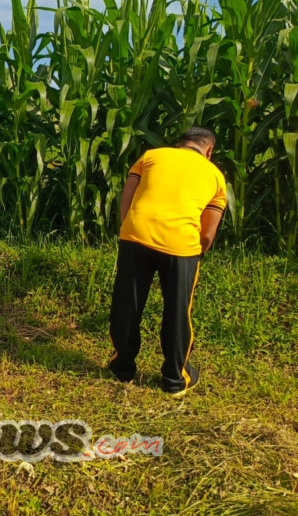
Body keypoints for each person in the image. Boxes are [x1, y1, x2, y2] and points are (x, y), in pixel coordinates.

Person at [108, 126, 227, 397]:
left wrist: (128, 231)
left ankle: (122, 368)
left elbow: (126, 200)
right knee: (177, 311)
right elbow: (208, 232)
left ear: (180, 143)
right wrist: (198, 252)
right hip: (180, 246)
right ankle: (174, 379)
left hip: (135, 234)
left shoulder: (151, 156)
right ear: (209, 150)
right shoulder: (215, 176)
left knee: (127, 303)